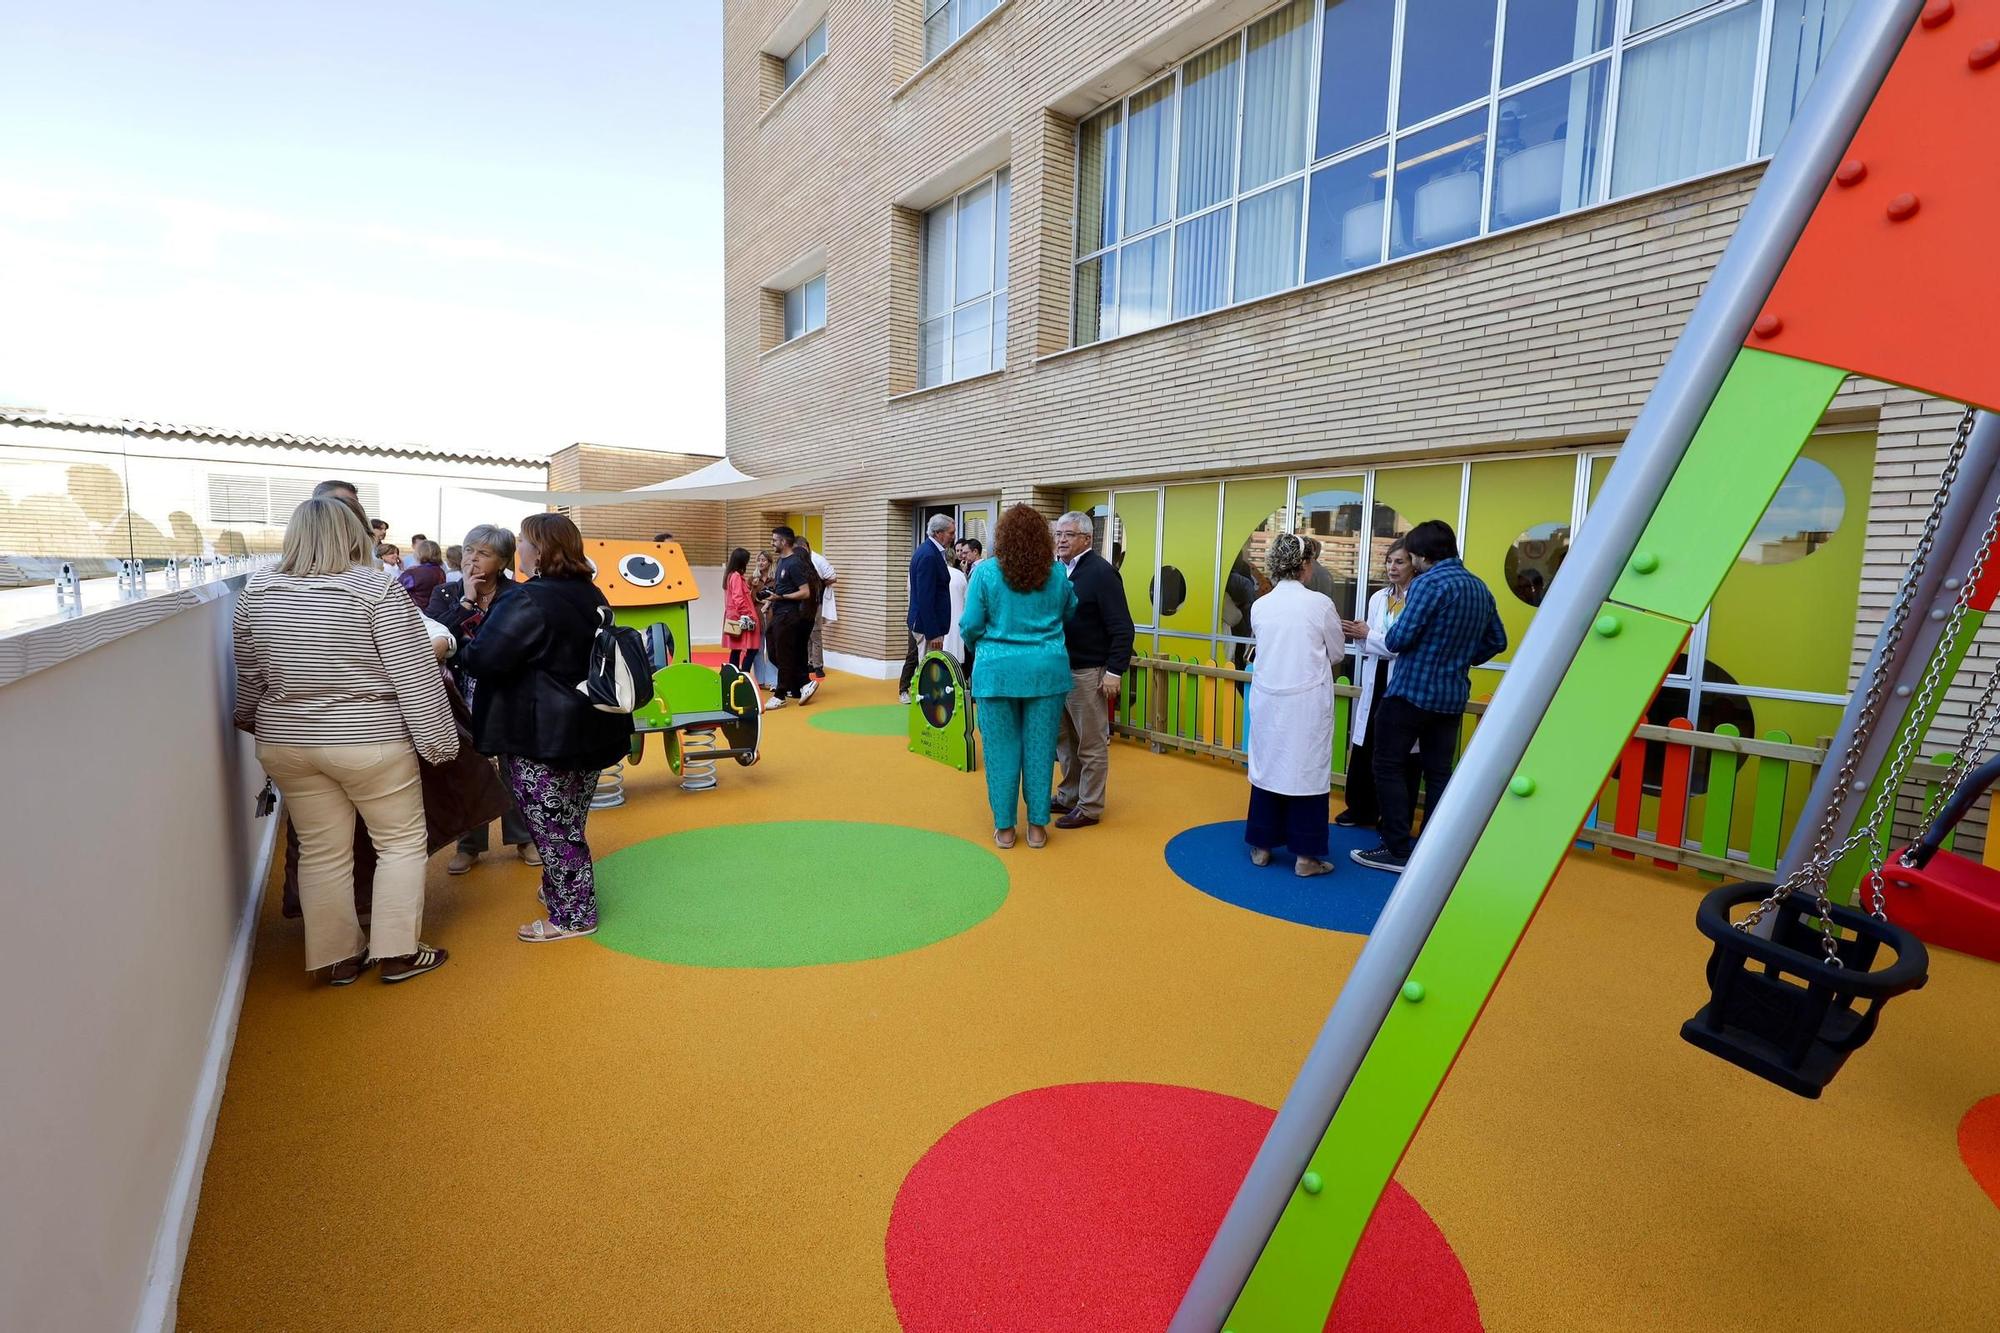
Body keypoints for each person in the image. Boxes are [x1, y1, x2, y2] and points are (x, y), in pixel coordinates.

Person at [232, 497, 457, 985]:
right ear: (354, 533)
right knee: (398, 843)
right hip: (369, 740)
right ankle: (397, 952)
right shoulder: (375, 587)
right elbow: (413, 673)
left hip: (287, 741)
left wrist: (250, 719)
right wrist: (439, 742)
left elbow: (249, 671)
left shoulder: (259, 589)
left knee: (320, 850)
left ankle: (336, 957)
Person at [452, 512, 634, 942]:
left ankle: (573, 915)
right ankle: (562, 887)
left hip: (541, 735)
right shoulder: (590, 593)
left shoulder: (528, 599)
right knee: (568, 820)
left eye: (525, 542)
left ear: (540, 551)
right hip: (592, 725)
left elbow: (484, 659)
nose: (520, 549)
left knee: (552, 828)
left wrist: (462, 634)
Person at [1351, 520, 1507, 873]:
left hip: (1409, 692)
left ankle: (1396, 847)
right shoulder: (1479, 588)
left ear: (1422, 555)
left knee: (1388, 765)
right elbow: (1498, 641)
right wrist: (1460, 657)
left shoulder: (1427, 585)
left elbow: (1397, 640)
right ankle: (1432, 848)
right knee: (1438, 773)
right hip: (1451, 697)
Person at [959, 504, 1077, 850]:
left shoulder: (985, 573)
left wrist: (982, 645)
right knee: (1041, 751)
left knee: (1000, 752)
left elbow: (970, 625)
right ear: (1043, 538)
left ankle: (1006, 829)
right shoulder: (1057, 574)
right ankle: (1038, 828)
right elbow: (1069, 610)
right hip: (1046, 671)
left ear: (1002, 538)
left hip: (997, 672)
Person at [430, 524, 536, 874]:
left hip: (506, 692)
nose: (472, 559)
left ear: (503, 560)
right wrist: (466, 600)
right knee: (469, 768)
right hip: (460, 692)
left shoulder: (515, 594)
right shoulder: (446, 593)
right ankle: (469, 845)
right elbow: (434, 634)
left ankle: (522, 837)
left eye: (484, 553)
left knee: (512, 766)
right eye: (469, 550)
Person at [1245, 533, 1347, 876]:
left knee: (1269, 766)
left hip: (1268, 699)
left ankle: (1261, 845)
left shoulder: (1261, 605)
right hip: (1306, 701)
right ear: (1305, 565)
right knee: (1306, 773)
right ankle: (1306, 857)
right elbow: (1336, 652)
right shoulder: (1319, 604)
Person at [1051, 511, 1133, 830]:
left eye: (1068, 534)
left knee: (1091, 742)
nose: (1060, 540)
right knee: (1065, 741)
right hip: (1060, 670)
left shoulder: (1101, 573)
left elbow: (1122, 627)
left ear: (1086, 538)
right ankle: (1069, 796)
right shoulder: (1059, 571)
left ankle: (1090, 806)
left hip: (1088, 672)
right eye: (1058, 534)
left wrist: (1115, 671)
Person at [1337, 541, 1423, 831]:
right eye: (1389, 562)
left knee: (1399, 753)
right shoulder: (1378, 598)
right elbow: (1371, 645)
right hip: (1376, 678)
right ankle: (1360, 808)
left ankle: (1394, 818)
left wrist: (1369, 635)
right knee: (1366, 744)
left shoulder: (1418, 599)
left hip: (1402, 681)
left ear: (1413, 564)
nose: (1392, 568)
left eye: (1399, 562)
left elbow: (1402, 645)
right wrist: (1359, 635)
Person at [760, 525, 818, 707]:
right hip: (779, 612)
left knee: (784, 654)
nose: (772, 543)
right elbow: (781, 588)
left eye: (774, 540)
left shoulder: (794, 563)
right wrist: (770, 600)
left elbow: (805, 592)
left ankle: (780, 695)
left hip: (789, 615)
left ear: (783, 542)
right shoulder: (781, 562)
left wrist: (782, 597)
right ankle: (804, 683)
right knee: (775, 651)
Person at [901, 513, 955, 705]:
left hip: (926, 624)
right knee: (928, 669)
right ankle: (927, 709)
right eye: (951, 533)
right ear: (938, 533)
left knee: (928, 667)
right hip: (926, 627)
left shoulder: (928, 551)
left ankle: (928, 705)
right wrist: (934, 633)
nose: (953, 536)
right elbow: (925, 597)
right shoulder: (929, 555)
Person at [721, 546, 763, 681]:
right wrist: (748, 615)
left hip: (734, 616)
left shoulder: (730, 576)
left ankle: (735, 676)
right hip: (741, 617)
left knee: (736, 648)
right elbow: (739, 598)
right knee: (752, 648)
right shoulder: (736, 577)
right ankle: (743, 675)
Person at [801, 536, 838, 678]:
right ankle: (809, 661)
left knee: (815, 633)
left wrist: (820, 584)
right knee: (806, 634)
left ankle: (818, 665)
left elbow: (833, 577)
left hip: (816, 602)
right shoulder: (800, 561)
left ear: (807, 547)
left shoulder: (818, 560)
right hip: (803, 603)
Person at [750, 550, 779, 690]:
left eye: (764, 560)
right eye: (759, 560)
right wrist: (753, 588)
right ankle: (760, 680)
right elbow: (749, 600)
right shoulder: (753, 579)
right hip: (757, 616)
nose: (761, 563)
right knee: (758, 649)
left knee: (772, 649)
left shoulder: (776, 578)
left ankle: (773, 681)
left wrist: (769, 603)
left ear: (769, 562)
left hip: (772, 615)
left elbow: (779, 595)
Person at [398, 539, 446, 609]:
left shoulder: (413, 573)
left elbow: (396, 589)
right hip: (435, 612)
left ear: (419, 553)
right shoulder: (440, 572)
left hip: (415, 613)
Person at [942, 543, 969, 665]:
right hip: (957, 624)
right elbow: (966, 599)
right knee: (956, 663)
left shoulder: (937, 574)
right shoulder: (960, 575)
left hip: (941, 625)